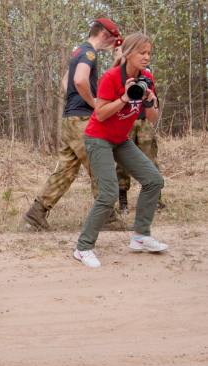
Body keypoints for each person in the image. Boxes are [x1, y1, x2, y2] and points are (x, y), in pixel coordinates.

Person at [73, 33, 166, 268]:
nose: (146, 57)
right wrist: (125, 97)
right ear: (128, 53)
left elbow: (152, 119)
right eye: (142, 53)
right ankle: (83, 248)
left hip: (120, 139)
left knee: (154, 180)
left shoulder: (147, 79)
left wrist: (150, 101)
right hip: (98, 138)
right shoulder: (111, 77)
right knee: (109, 193)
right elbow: (101, 114)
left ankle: (140, 236)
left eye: (149, 53)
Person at [24, 18, 122, 230]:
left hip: (70, 120)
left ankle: (37, 212)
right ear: (105, 34)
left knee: (66, 171)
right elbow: (79, 80)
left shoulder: (78, 52)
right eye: (113, 39)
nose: (113, 45)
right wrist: (94, 103)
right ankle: (108, 217)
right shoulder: (89, 53)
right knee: (100, 165)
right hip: (83, 121)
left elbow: (64, 83)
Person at [112, 47, 165, 214]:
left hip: (143, 122)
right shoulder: (116, 75)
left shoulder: (146, 76)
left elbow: (153, 101)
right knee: (122, 164)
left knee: (150, 160)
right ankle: (123, 202)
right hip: (123, 122)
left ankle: (155, 200)